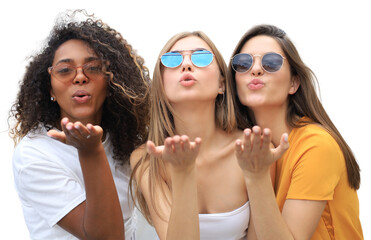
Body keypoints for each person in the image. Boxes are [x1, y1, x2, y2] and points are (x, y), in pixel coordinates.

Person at [9, 10, 150, 239]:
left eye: (93, 68)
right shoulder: (34, 154)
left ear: (112, 80)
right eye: (65, 70)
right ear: (50, 88)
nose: (80, 77)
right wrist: (91, 152)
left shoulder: (129, 141)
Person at [228, 24, 363, 239]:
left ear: (293, 83)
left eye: (271, 62)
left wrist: (256, 176)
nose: (255, 69)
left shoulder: (317, 145)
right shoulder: (244, 149)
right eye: (243, 64)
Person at [130, 31, 260, 240]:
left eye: (201, 57)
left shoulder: (251, 147)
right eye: (172, 60)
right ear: (161, 87)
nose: (187, 65)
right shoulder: (146, 158)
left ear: (222, 84)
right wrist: (184, 172)